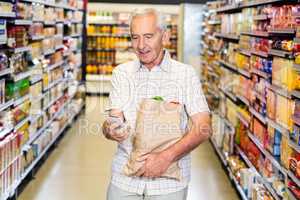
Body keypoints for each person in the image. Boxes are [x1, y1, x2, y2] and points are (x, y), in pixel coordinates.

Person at [102, 8, 211, 200]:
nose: (141, 45)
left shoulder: (185, 75)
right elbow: (112, 121)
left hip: (169, 184)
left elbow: (203, 127)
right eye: (135, 37)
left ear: (165, 36)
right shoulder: (122, 73)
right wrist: (110, 129)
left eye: (148, 36)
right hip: (125, 179)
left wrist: (165, 157)